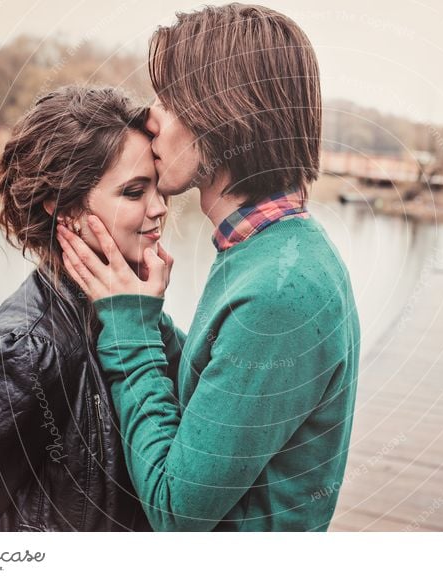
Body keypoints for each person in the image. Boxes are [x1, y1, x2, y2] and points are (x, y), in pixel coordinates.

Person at [57, 4, 361, 531]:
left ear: (224, 116)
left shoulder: (279, 291)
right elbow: (216, 385)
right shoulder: (268, 250)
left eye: (170, 100)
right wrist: (143, 315)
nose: (151, 117)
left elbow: (177, 509)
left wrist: (129, 334)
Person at [0, 85, 179, 531]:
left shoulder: (141, 321)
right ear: (64, 206)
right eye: (135, 191)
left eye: (157, 187)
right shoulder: (27, 351)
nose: (159, 209)